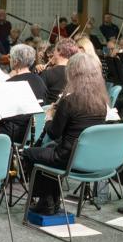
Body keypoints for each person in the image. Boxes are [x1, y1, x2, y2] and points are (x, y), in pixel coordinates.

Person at [23, 53, 108, 215]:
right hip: (88, 157)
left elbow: (54, 133)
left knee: (30, 153)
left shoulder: (69, 101)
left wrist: (49, 118)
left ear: (73, 74)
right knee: (49, 149)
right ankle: (52, 199)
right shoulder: (101, 101)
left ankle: (46, 200)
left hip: (67, 157)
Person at [0, 45, 47, 143]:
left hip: (15, 134)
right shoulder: (40, 80)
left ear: (15, 62)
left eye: (11, 58)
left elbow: (1, 114)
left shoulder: (10, 83)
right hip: (34, 132)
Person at [40, 38, 78, 104]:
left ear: (59, 51)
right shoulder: (78, 74)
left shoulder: (48, 73)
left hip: (50, 111)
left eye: (55, 50)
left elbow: (40, 97)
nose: (54, 53)